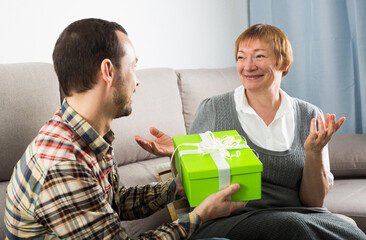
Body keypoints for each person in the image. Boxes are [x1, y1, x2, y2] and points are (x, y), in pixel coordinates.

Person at [4, 18, 247, 240]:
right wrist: (201, 215)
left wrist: (174, 189)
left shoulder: (87, 137)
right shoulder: (63, 164)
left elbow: (112, 202)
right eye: (133, 67)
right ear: (108, 71)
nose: (137, 80)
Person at [135, 24, 366, 239]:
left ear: (283, 63)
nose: (248, 66)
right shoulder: (214, 108)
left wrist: (313, 152)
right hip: (230, 219)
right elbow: (194, 188)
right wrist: (179, 152)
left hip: (297, 216)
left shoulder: (309, 114)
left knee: (348, 229)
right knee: (293, 225)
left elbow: (313, 201)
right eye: (241, 57)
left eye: (259, 56)